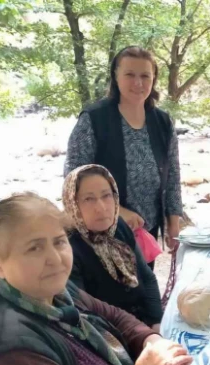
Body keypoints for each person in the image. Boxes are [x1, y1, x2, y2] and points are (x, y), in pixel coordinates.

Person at [0, 192, 192, 365]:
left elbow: (113, 315)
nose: (55, 258)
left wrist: (151, 340)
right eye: (34, 247)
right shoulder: (7, 353)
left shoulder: (50, 291)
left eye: (59, 241)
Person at [64, 46, 183, 259]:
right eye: (130, 74)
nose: (138, 83)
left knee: (144, 287)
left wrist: (173, 221)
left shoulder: (162, 122)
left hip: (147, 230)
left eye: (145, 76)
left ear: (153, 80)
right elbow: (73, 178)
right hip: (103, 231)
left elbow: (172, 175)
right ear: (116, 77)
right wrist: (118, 212)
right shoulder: (94, 119)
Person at [63, 164, 163, 330]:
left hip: (144, 324)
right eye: (89, 199)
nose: (101, 208)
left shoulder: (118, 227)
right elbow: (84, 314)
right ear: (73, 204)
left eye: (106, 196)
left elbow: (146, 277)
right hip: (112, 336)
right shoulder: (68, 248)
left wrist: (156, 322)